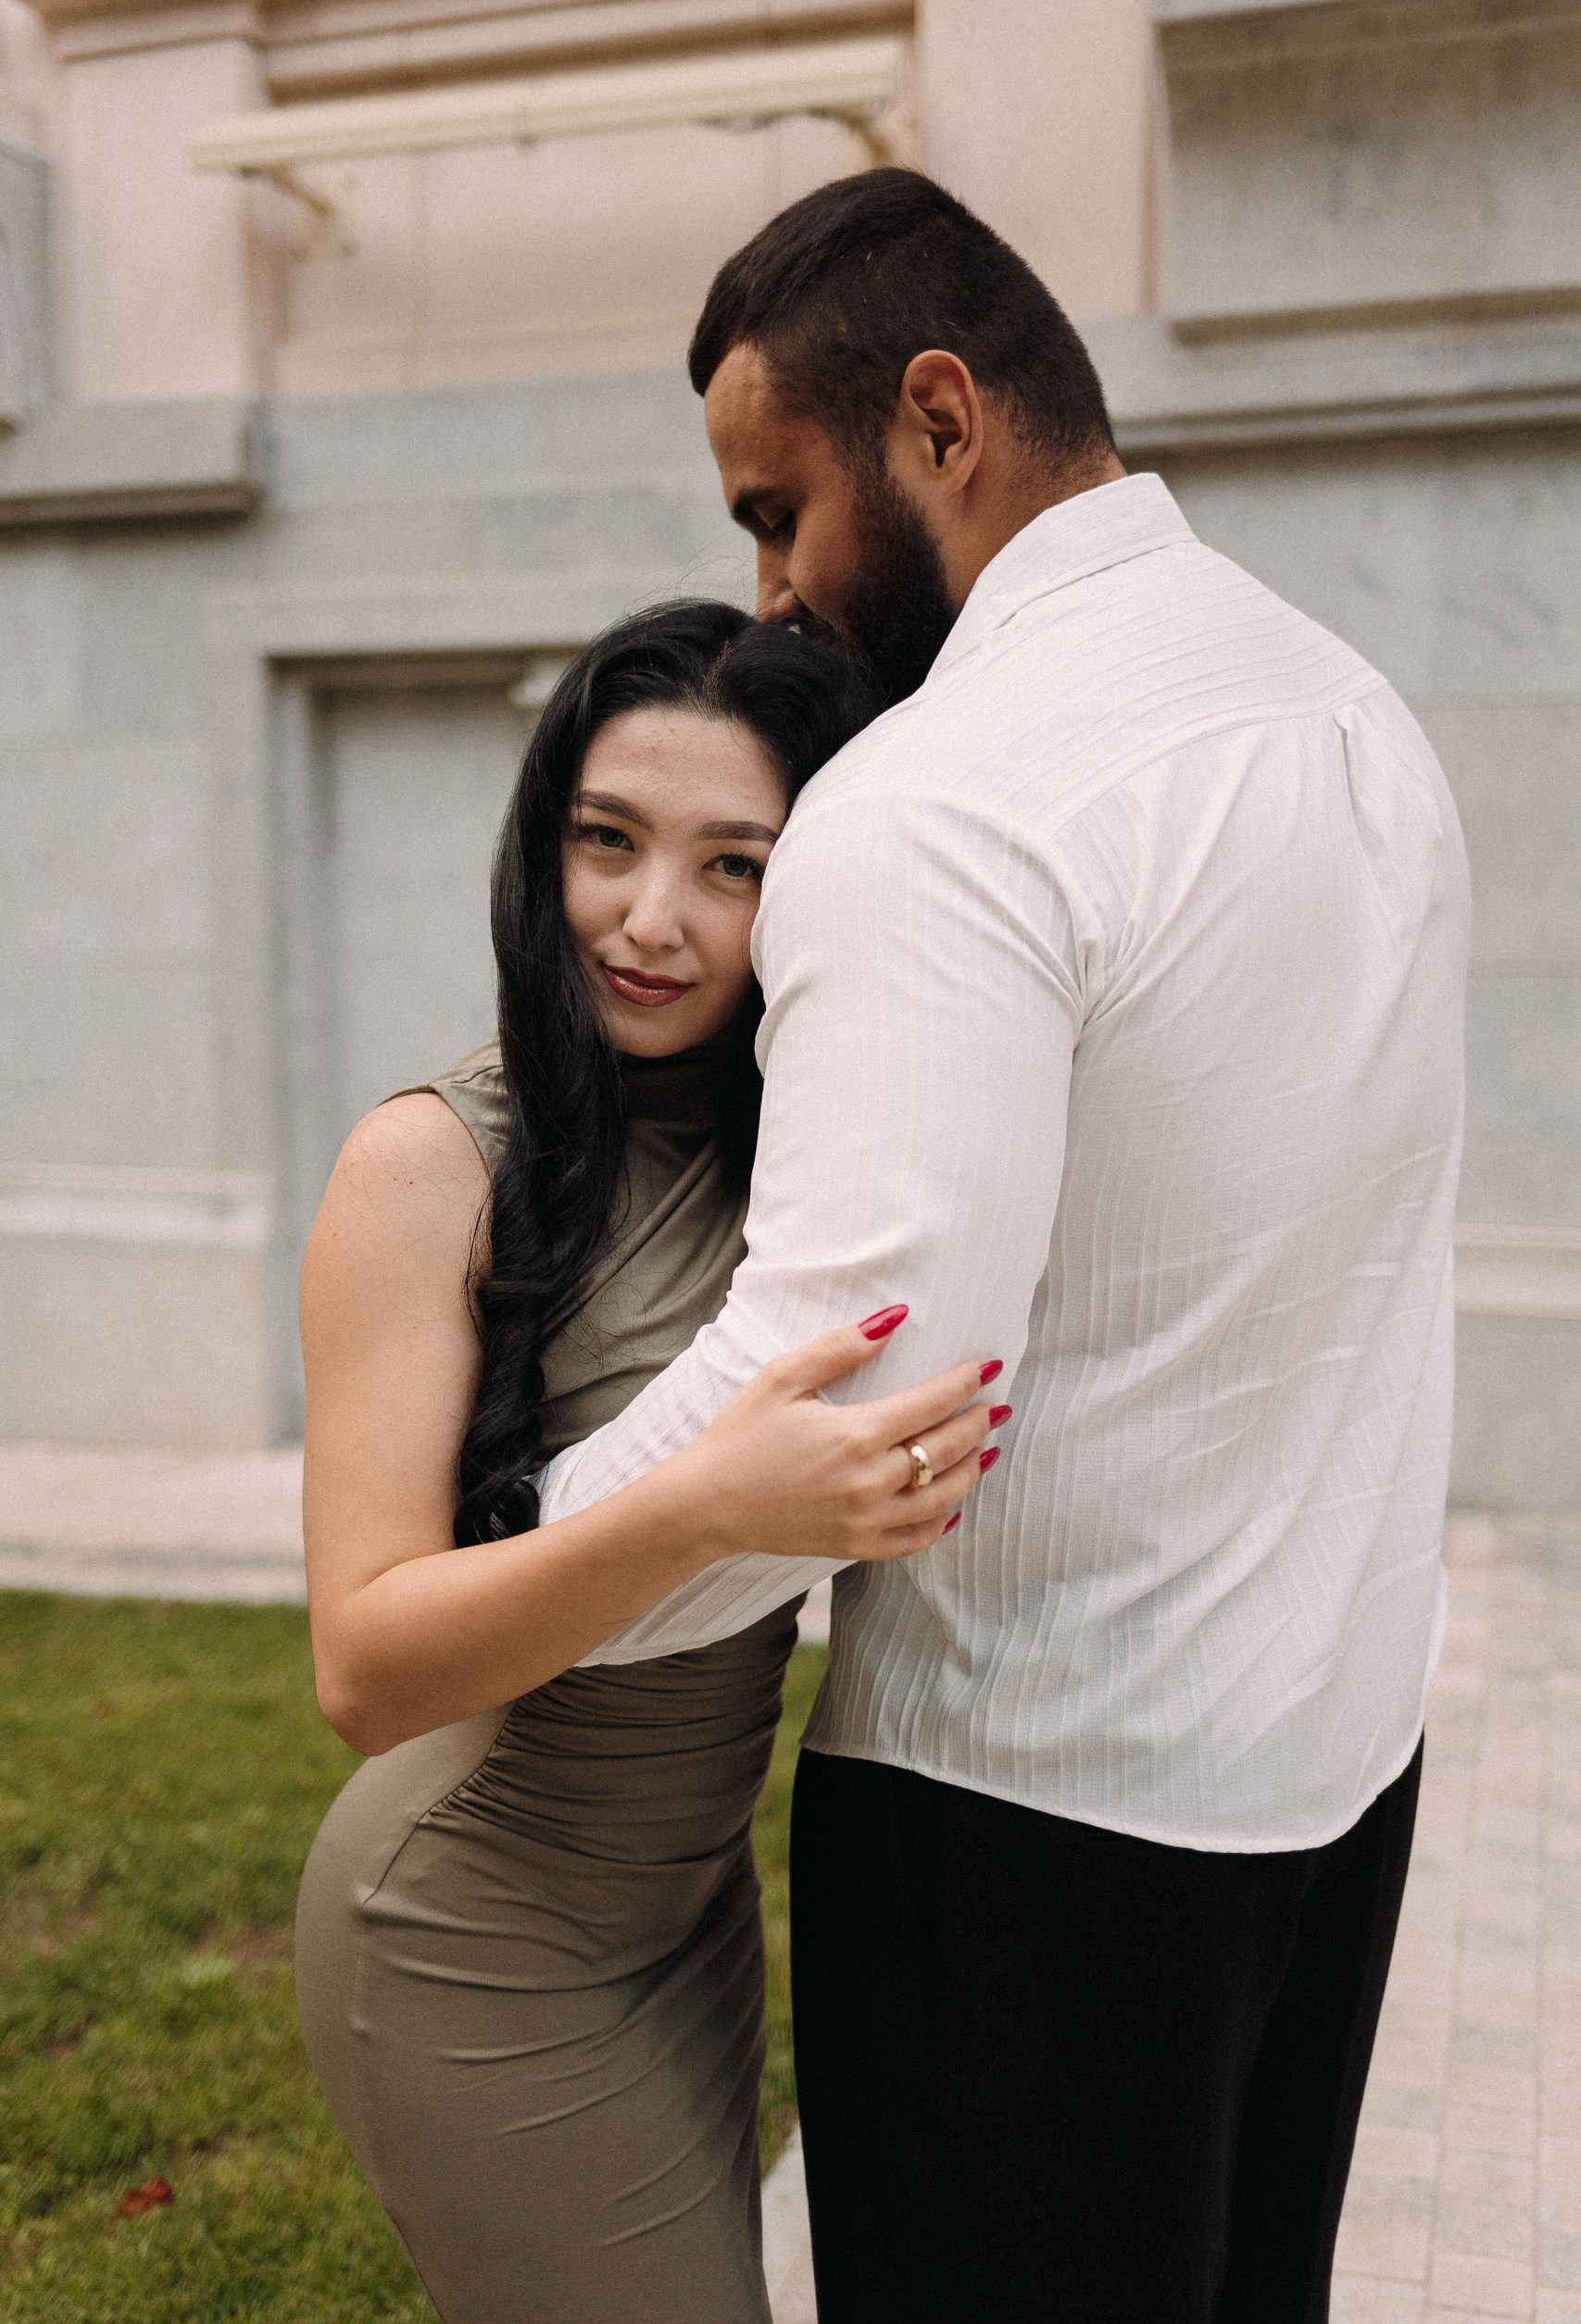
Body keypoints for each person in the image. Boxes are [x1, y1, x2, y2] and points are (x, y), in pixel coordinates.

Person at [527, 170, 1472, 2323]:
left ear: (938, 419)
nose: (764, 594)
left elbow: (843, 1406)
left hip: (1033, 1831)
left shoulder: (940, 799)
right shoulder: (1352, 709)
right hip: (1329, 1775)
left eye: (776, 511)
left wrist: (501, 1552)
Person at [292, 601, 1005, 2324]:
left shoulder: (813, 1148)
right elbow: (364, 1668)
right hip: (472, 1920)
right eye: (605, 840)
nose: (649, 919)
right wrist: (702, 1507)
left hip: (690, 1913)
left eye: (731, 865)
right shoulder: (427, 1165)